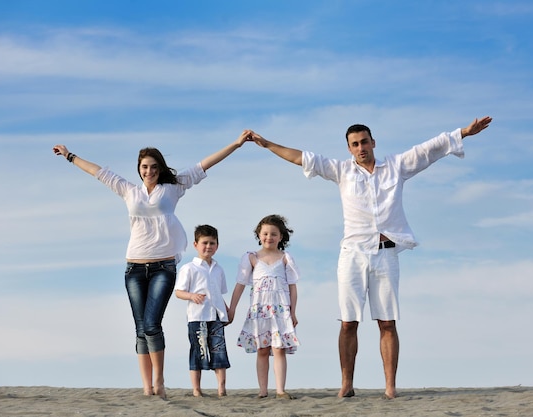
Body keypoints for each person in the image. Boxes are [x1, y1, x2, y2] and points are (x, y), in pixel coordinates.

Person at [249, 116, 493, 399]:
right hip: (352, 255)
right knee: (348, 322)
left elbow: (429, 149)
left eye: (364, 141)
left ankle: (390, 387)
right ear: (349, 149)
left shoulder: (396, 166)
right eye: (355, 144)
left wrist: (462, 132)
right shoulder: (341, 171)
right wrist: (267, 144)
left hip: (386, 254)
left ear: (373, 142)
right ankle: (347, 384)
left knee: (387, 322)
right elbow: (301, 157)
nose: (361, 147)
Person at [52, 130, 252, 398]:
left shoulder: (173, 188)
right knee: (139, 328)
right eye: (144, 167)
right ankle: (147, 387)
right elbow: (97, 172)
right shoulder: (128, 190)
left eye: (154, 167)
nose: (149, 171)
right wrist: (69, 156)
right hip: (133, 267)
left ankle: (159, 381)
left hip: (163, 267)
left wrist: (236, 145)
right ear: (139, 169)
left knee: (151, 324)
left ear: (160, 169)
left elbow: (205, 163)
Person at [228, 214, 300, 400]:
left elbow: (292, 287)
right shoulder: (252, 258)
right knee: (262, 349)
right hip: (259, 311)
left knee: (278, 349)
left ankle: (280, 390)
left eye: (274, 234)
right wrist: (232, 308)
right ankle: (263, 390)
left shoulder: (285, 258)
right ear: (259, 235)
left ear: (281, 237)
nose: (269, 237)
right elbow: (240, 285)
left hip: (280, 311)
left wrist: (293, 312)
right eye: (265, 233)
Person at [175, 225, 231, 398]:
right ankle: (196, 389)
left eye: (212, 243)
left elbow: (218, 294)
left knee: (219, 351)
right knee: (198, 351)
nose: (208, 246)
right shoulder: (189, 268)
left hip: (216, 316)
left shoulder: (218, 269)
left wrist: (226, 311)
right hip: (197, 317)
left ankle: (221, 389)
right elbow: (178, 292)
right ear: (195, 244)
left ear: (217, 245)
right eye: (204, 243)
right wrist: (191, 296)